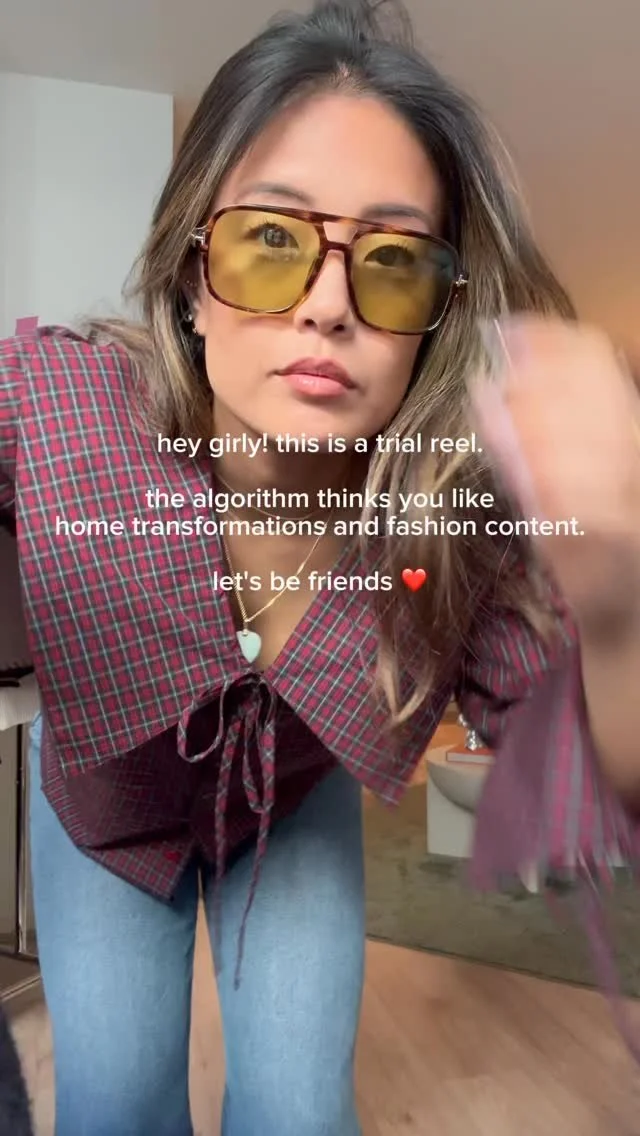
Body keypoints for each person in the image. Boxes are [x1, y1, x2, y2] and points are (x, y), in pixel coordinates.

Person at [1, 0, 639, 1132]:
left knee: (303, 1112)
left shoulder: (450, 529)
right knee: (113, 1105)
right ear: (192, 277)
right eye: (270, 240)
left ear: (433, 321)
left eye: (394, 263)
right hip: (101, 805)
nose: (331, 307)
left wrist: (621, 596)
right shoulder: (55, 411)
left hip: (290, 807)